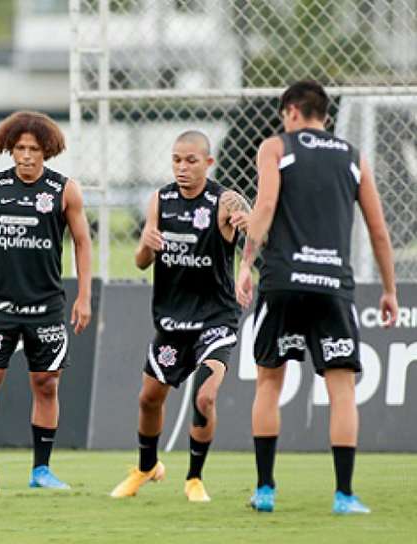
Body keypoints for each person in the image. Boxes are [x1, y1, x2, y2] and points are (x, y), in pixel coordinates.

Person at [236, 80, 398, 514]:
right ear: (323, 114)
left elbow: (265, 207)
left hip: (283, 282)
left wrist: (246, 263)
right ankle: (344, 495)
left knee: (270, 382)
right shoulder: (352, 157)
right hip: (332, 286)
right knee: (342, 390)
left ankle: (265, 490)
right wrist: (388, 290)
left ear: (290, 111)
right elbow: (379, 230)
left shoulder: (276, 147)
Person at [0, 111, 92, 489]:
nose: (27, 155)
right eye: (20, 148)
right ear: (9, 149)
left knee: (46, 383)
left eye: (34, 149)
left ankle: (41, 471)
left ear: (47, 151)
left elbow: (82, 242)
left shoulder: (64, 191)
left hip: (46, 306)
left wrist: (84, 296)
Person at [110, 130, 250, 501]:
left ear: (208, 162)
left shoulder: (226, 202)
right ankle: (146, 468)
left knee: (204, 399)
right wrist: (146, 244)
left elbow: (254, 236)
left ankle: (194, 478)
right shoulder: (160, 200)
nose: (182, 167)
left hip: (216, 320)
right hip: (172, 322)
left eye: (190, 160)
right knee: (148, 399)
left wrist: (247, 265)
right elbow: (141, 262)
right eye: (176, 160)